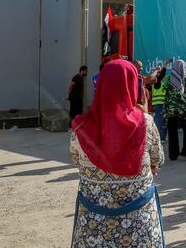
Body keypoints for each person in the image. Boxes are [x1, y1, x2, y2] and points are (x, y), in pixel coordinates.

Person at [70, 59, 164, 247]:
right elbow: (158, 160)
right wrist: (144, 115)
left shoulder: (80, 127)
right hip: (139, 228)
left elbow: (76, 160)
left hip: (93, 229)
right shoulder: (146, 123)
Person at [164, 59, 186, 161]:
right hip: (185, 108)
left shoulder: (169, 77)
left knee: (172, 131)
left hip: (172, 109)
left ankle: (173, 154)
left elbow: (165, 87)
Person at [151, 63, 168, 142]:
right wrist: (165, 65)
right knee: (159, 122)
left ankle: (162, 137)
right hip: (159, 105)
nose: (160, 74)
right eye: (158, 72)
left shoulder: (159, 83)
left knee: (162, 122)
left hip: (160, 105)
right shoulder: (156, 81)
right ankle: (160, 138)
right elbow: (162, 75)